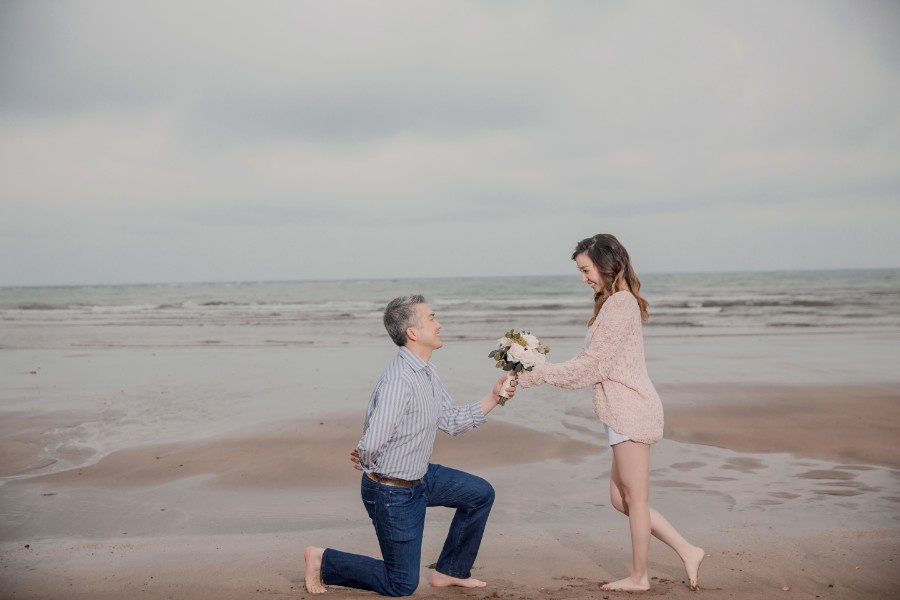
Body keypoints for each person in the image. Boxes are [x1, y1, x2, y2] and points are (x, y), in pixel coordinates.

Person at [516, 234, 705, 592]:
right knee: (621, 499)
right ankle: (687, 548)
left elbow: (592, 367)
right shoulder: (613, 304)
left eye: (586, 269)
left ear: (607, 264)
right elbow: (593, 363)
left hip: (631, 410)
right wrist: (540, 368)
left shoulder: (621, 305)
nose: (583, 277)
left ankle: (639, 577)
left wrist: (538, 373)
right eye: (580, 271)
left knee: (636, 500)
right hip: (620, 411)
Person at [304, 294, 516, 596]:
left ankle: (450, 571)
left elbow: (453, 421)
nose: (439, 324)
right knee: (401, 583)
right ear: (413, 332)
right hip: (393, 492)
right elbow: (373, 437)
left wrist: (494, 397)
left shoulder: (426, 371)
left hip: (421, 478)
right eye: (432, 318)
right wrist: (368, 461)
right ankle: (323, 561)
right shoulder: (400, 379)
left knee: (480, 494)